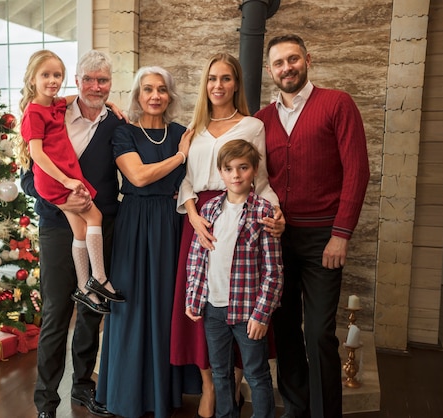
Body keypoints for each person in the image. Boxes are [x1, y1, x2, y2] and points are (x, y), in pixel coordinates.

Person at [255, 34, 370, 418]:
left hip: (324, 238)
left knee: (319, 333)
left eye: (293, 59)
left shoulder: (337, 104)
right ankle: (296, 407)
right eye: (278, 63)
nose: (287, 68)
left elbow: (357, 171)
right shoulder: (262, 120)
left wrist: (341, 234)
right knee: (284, 329)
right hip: (277, 239)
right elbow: (256, 179)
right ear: (270, 71)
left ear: (307, 59)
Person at [169, 52, 284, 418]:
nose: (218, 85)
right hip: (200, 218)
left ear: (236, 84)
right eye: (212, 79)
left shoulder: (252, 126)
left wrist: (277, 213)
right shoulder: (194, 129)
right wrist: (194, 216)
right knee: (206, 306)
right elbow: (185, 180)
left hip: (240, 212)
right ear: (205, 84)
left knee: (239, 299)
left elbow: (260, 180)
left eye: (226, 79)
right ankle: (210, 390)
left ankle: (234, 386)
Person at [20, 50, 125, 418]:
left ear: (110, 85)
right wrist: (65, 199)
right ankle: (46, 401)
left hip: (101, 224)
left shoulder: (118, 124)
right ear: (76, 81)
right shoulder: (54, 113)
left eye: (103, 81)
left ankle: (83, 386)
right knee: (56, 313)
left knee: (92, 311)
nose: (96, 87)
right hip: (55, 223)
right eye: (89, 79)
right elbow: (28, 178)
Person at [95, 66, 192, 418]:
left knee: (166, 304)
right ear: (137, 94)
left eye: (162, 89)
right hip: (134, 222)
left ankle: (164, 393)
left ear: (170, 95)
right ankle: (127, 393)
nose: (155, 96)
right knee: (131, 305)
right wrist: (180, 156)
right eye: (147, 89)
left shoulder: (183, 131)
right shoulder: (124, 133)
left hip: (171, 221)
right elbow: (136, 175)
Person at [185, 139, 283, 418]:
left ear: (254, 171)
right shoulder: (209, 210)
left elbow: (273, 271)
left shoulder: (263, 212)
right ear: (221, 172)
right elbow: (196, 258)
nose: (236, 175)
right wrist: (193, 298)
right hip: (213, 308)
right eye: (229, 169)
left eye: (243, 168)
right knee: (221, 373)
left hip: (248, 312)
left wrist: (262, 314)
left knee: (256, 374)